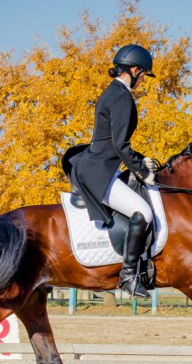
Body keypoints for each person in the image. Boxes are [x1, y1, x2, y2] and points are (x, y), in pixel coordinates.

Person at [63, 44, 159, 299]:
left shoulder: (113, 92)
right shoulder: (121, 96)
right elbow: (120, 145)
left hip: (99, 166)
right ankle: (128, 276)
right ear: (135, 69)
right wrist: (142, 172)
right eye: (143, 75)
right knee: (144, 212)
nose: (142, 81)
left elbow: (112, 143)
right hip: (98, 173)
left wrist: (141, 159)